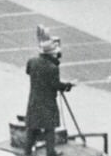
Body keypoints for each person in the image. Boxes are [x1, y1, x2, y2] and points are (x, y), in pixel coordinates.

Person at [24, 27, 74, 156]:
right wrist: (69, 85)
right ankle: (50, 152)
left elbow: (28, 71)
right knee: (49, 129)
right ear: (51, 53)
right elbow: (55, 85)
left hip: (34, 100)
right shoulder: (52, 68)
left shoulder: (32, 62)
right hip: (47, 102)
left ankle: (27, 152)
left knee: (32, 128)